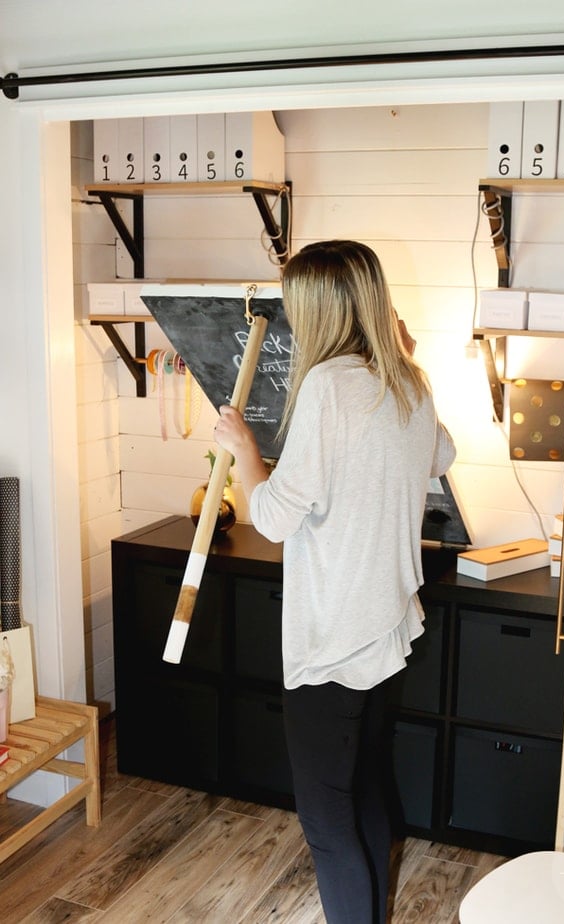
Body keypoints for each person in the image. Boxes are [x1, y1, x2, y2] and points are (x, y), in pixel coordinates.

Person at [213, 240, 456, 924]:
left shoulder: (327, 386)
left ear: (319, 309)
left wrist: (244, 453)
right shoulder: (407, 380)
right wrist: (409, 356)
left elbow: (273, 518)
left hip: (333, 641)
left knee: (326, 822)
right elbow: (441, 453)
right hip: (385, 628)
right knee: (367, 790)